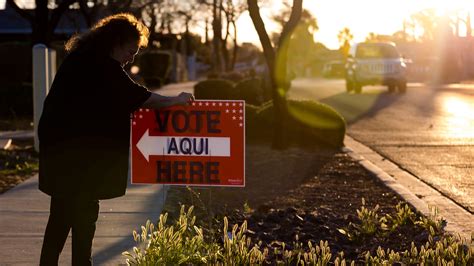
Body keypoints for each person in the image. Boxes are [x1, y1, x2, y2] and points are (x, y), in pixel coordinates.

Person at [38, 13, 194, 265]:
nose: (132, 57)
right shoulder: (102, 66)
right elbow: (140, 97)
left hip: (60, 151)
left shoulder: (79, 58)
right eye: (130, 51)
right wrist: (175, 100)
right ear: (115, 42)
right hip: (80, 157)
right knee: (84, 216)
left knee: (60, 215)